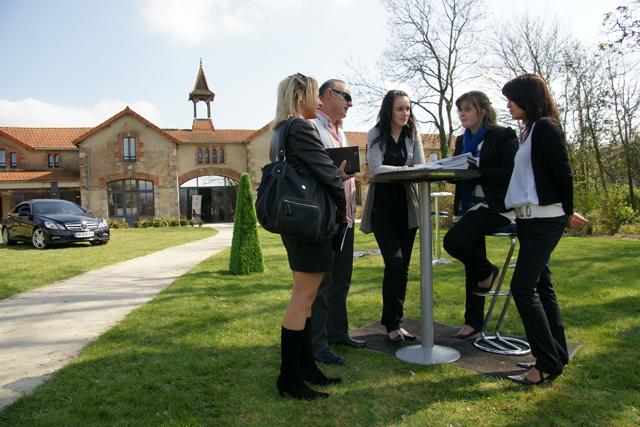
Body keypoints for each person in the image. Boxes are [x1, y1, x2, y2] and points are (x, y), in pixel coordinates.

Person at [501, 74, 587, 386]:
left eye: (512, 98)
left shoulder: (546, 127)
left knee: (522, 288)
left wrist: (566, 210)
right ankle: (556, 353)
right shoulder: (530, 131)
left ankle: (546, 362)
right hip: (529, 219)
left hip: (544, 218)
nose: (508, 104)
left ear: (526, 98)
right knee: (541, 287)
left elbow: (562, 171)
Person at [270, 73, 347, 400]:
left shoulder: (279, 130)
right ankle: (289, 377)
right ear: (300, 94)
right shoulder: (300, 127)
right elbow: (325, 172)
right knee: (302, 298)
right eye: (315, 95)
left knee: (307, 298)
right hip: (310, 223)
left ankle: (304, 368)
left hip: (298, 222)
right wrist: (341, 196)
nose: (318, 102)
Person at [442, 91, 518, 339]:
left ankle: (488, 270)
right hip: (469, 207)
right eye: (460, 110)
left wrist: (479, 171)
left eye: (467, 109)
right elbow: (456, 170)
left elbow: (511, 173)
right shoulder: (461, 140)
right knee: (470, 260)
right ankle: (473, 322)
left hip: (497, 206)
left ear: (482, 111)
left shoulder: (502, 135)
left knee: (453, 241)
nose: (462, 114)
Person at [360, 90, 425, 342]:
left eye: (408, 109)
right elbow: (375, 168)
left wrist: (388, 172)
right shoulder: (375, 134)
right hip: (382, 210)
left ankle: (395, 322)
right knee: (394, 263)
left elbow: (420, 168)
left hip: (407, 208)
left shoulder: (413, 135)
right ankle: (390, 324)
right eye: (400, 109)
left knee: (403, 268)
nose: (405, 114)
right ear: (389, 110)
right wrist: (400, 171)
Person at [310, 79, 366, 366]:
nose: (350, 103)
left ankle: (338, 332)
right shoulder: (313, 128)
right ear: (329, 95)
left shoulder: (341, 132)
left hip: (346, 218)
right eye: (347, 96)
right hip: (326, 218)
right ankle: (317, 343)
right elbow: (316, 172)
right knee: (323, 282)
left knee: (342, 279)